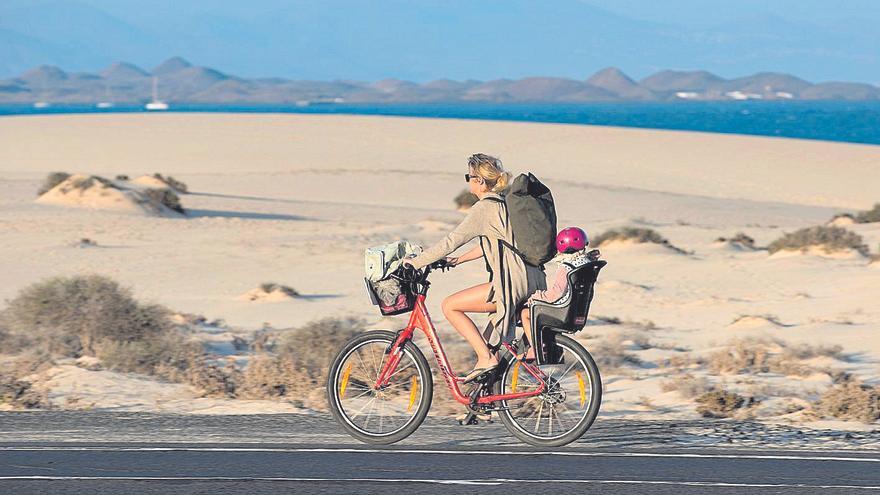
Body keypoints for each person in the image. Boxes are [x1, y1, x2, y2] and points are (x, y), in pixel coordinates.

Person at [403, 153, 547, 383]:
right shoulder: (506, 203)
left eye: (469, 176)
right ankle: (485, 405)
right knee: (492, 341)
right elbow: (497, 242)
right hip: (534, 277)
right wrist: (460, 260)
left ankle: (485, 358)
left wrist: (416, 262)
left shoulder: (484, 208)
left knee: (450, 306)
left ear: (479, 180)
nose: (468, 181)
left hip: (512, 281)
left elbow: (451, 241)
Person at [519, 227, 597, 361]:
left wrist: (536, 296)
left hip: (562, 311)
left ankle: (535, 348)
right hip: (576, 311)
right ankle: (547, 347)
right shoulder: (586, 263)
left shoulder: (566, 267)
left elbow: (556, 293)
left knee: (525, 313)